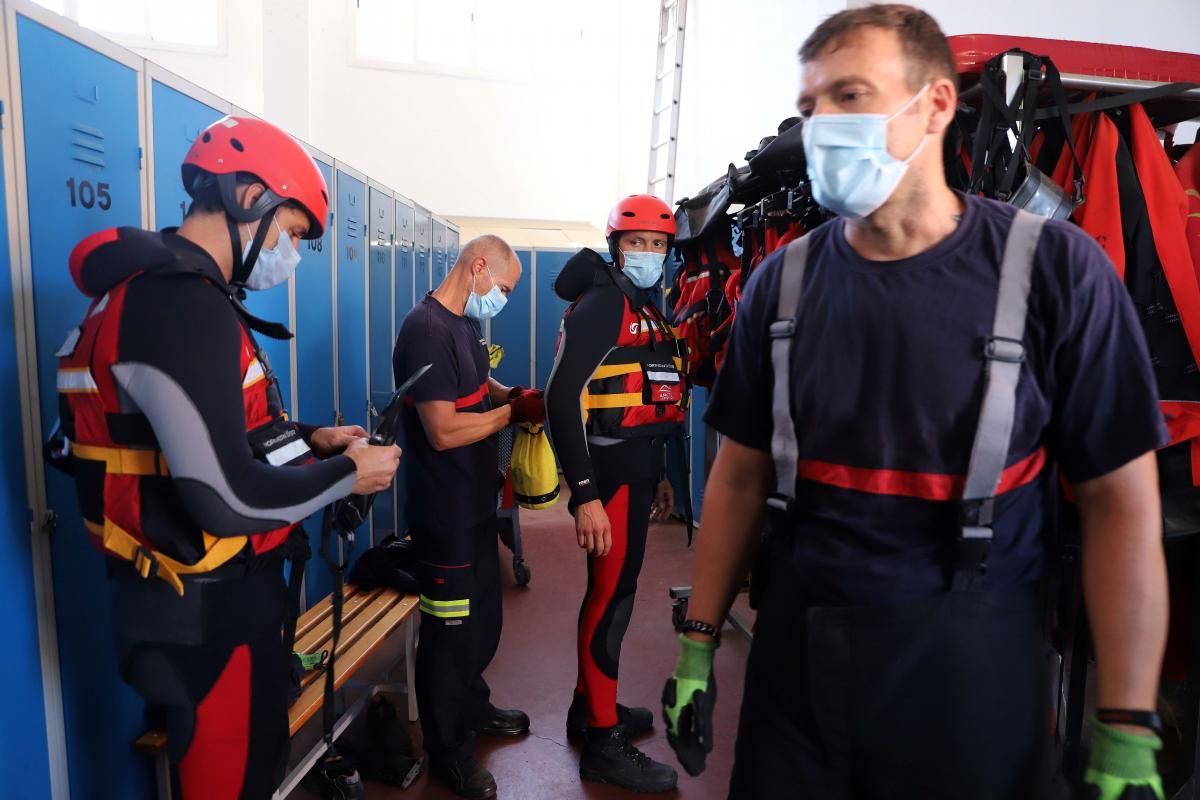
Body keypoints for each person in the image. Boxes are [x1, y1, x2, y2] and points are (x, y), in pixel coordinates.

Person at [662, 6, 1170, 799]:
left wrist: (1127, 719)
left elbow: (1120, 503)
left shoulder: (1056, 273)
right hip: (798, 669)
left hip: (970, 673)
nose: (823, 125)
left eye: (850, 96)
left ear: (935, 105)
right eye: (810, 108)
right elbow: (738, 477)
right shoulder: (781, 285)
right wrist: (697, 645)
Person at [54, 116, 402, 799]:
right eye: (294, 233)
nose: (291, 254)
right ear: (248, 196)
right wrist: (346, 475)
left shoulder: (159, 294)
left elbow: (196, 439)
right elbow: (224, 497)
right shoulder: (179, 304)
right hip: (203, 616)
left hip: (190, 604)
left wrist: (310, 438)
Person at [392, 234, 543, 799]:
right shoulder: (426, 330)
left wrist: (514, 395)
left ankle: (472, 708)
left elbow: (478, 390)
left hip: (475, 503)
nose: (501, 298)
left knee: (482, 622)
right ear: (479, 267)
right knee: (450, 634)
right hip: (444, 515)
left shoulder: (464, 326)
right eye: (502, 288)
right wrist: (508, 418)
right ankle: (448, 750)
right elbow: (444, 429)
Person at [545, 194, 687, 793]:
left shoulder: (645, 307)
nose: (649, 254)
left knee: (616, 592)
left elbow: (649, 398)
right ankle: (602, 742)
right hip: (606, 481)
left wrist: (658, 474)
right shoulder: (604, 304)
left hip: (635, 473)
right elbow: (558, 400)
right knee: (611, 600)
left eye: (658, 244)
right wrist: (583, 496)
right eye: (638, 243)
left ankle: (588, 709)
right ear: (615, 247)